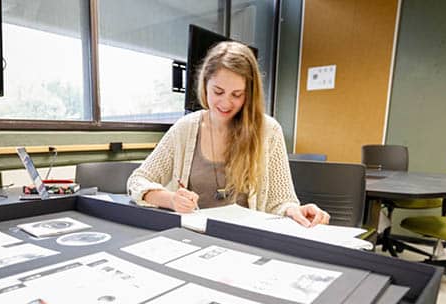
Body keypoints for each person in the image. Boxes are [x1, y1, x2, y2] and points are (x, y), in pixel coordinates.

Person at [127, 41, 329, 227]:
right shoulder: (185, 128)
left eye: (236, 95)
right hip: (192, 238)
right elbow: (138, 181)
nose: (225, 103)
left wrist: (295, 211)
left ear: (249, 94)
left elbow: (281, 202)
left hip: (245, 240)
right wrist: (171, 199)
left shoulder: (269, 131)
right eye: (218, 91)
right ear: (205, 85)